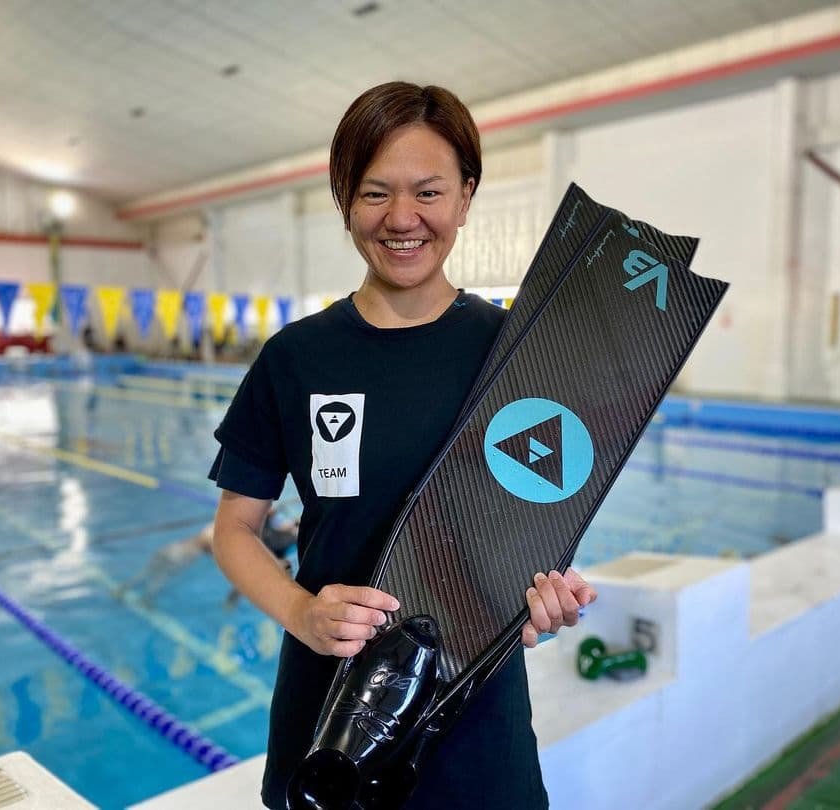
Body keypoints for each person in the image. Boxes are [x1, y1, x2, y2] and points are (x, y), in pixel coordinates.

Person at [209, 82, 596, 809]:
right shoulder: (296, 358)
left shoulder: (514, 352)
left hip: (476, 720)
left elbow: (541, 510)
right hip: (330, 715)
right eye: (375, 193)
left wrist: (549, 593)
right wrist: (301, 613)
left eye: (428, 192)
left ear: (466, 196)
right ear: (345, 200)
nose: (402, 219)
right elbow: (234, 529)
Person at [118, 503, 298, 606]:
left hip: (176, 548)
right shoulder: (261, 540)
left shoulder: (244, 527)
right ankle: (145, 598)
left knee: (149, 572)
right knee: (159, 577)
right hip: (183, 554)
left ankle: (124, 589)